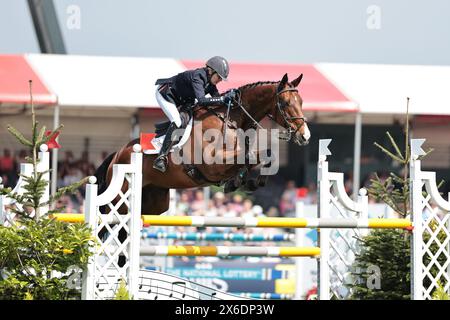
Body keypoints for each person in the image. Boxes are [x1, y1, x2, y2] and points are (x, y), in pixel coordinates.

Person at [153, 56, 234, 173]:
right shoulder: (198, 76)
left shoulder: (211, 85)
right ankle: (161, 157)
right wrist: (223, 99)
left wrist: (231, 99)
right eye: (219, 77)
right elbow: (202, 100)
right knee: (177, 122)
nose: (219, 81)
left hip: (182, 100)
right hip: (166, 94)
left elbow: (217, 100)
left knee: (192, 120)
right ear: (211, 71)